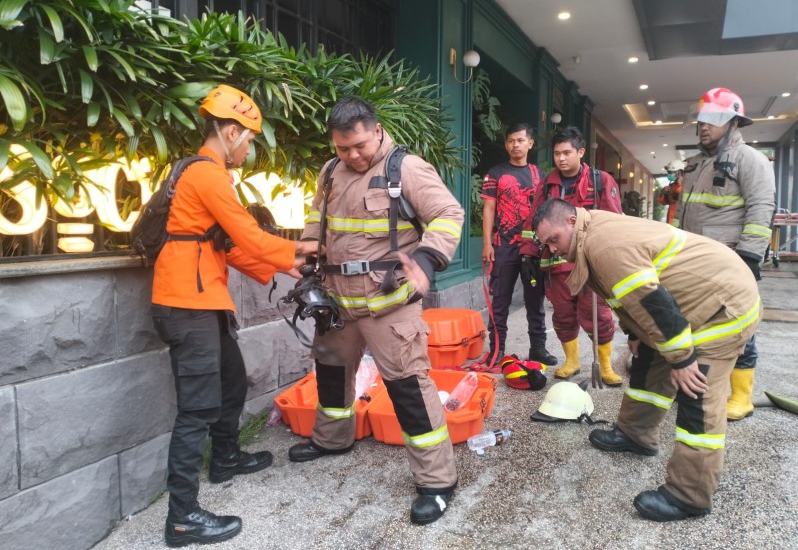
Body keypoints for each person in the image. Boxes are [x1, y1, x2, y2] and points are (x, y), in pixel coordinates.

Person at [151, 84, 317, 547]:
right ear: (229, 132)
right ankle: (182, 517)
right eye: (248, 139)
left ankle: (223, 458)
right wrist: (298, 253)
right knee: (197, 409)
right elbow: (248, 234)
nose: (249, 148)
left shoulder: (203, 176)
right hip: (188, 304)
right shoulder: (208, 175)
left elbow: (227, 245)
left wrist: (284, 266)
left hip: (201, 301)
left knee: (232, 381)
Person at [287, 97, 464, 525]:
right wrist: (307, 250)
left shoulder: (406, 169)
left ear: (377, 130)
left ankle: (438, 482)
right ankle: (332, 440)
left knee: (407, 387)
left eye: (360, 146)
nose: (353, 156)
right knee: (329, 369)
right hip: (337, 298)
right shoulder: (330, 172)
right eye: (343, 148)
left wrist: (424, 262)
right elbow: (319, 217)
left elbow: (447, 213)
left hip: (389, 302)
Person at [533, 198, 761, 522]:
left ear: (571, 221)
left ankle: (689, 495)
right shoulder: (591, 235)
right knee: (647, 364)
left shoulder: (602, 244)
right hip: (687, 304)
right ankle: (635, 435)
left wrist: (682, 360)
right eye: (546, 245)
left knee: (697, 395)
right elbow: (628, 297)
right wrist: (634, 332)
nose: (552, 249)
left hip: (721, 309)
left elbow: (648, 298)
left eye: (554, 239)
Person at [673, 87, 775, 420]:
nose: (704, 126)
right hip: (693, 262)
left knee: (737, 327)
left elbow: (761, 209)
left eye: (714, 120)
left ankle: (742, 397)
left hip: (730, 261)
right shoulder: (696, 165)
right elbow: (681, 214)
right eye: (702, 120)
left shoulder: (750, 160)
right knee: (697, 326)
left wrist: (749, 257)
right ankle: (699, 389)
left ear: (733, 122)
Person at [519, 125, 623, 386]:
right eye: (556, 154)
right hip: (556, 266)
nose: (561, 159)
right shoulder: (546, 186)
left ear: (581, 152)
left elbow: (614, 222)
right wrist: (528, 255)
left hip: (591, 265)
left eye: (566, 152)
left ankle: (606, 366)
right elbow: (534, 220)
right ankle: (572, 361)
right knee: (563, 315)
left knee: (597, 314)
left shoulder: (601, 181)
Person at [480, 123, 554, 365]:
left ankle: (538, 349)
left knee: (535, 299)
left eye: (521, 140)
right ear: (506, 144)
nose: (516, 145)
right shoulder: (496, 173)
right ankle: (497, 351)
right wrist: (487, 243)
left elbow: (545, 211)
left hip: (532, 248)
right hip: (503, 247)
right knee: (500, 300)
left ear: (530, 143)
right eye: (511, 141)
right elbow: (489, 209)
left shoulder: (539, 176)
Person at [656, 160, 685, 224]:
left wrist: (679, 185)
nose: (668, 174)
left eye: (670, 172)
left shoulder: (686, 184)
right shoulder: (672, 186)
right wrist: (663, 192)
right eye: (668, 172)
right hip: (671, 221)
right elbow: (663, 202)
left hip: (680, 220)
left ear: (679, 172)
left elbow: (682, 197)